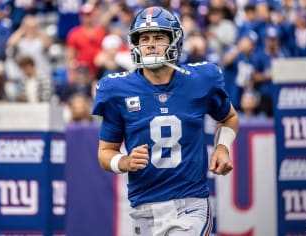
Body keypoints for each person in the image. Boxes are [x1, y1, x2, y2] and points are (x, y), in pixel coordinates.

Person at [92, 6, 239, 236]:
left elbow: (229, 118)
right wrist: (125, 161)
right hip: (143, 209)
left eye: (159, 37)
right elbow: (105, 152)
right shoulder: (117, 90)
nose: (150, 43)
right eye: (145, 38)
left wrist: (222, 147)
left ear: (175, 40)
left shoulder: (200, 80)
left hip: (190, 205)